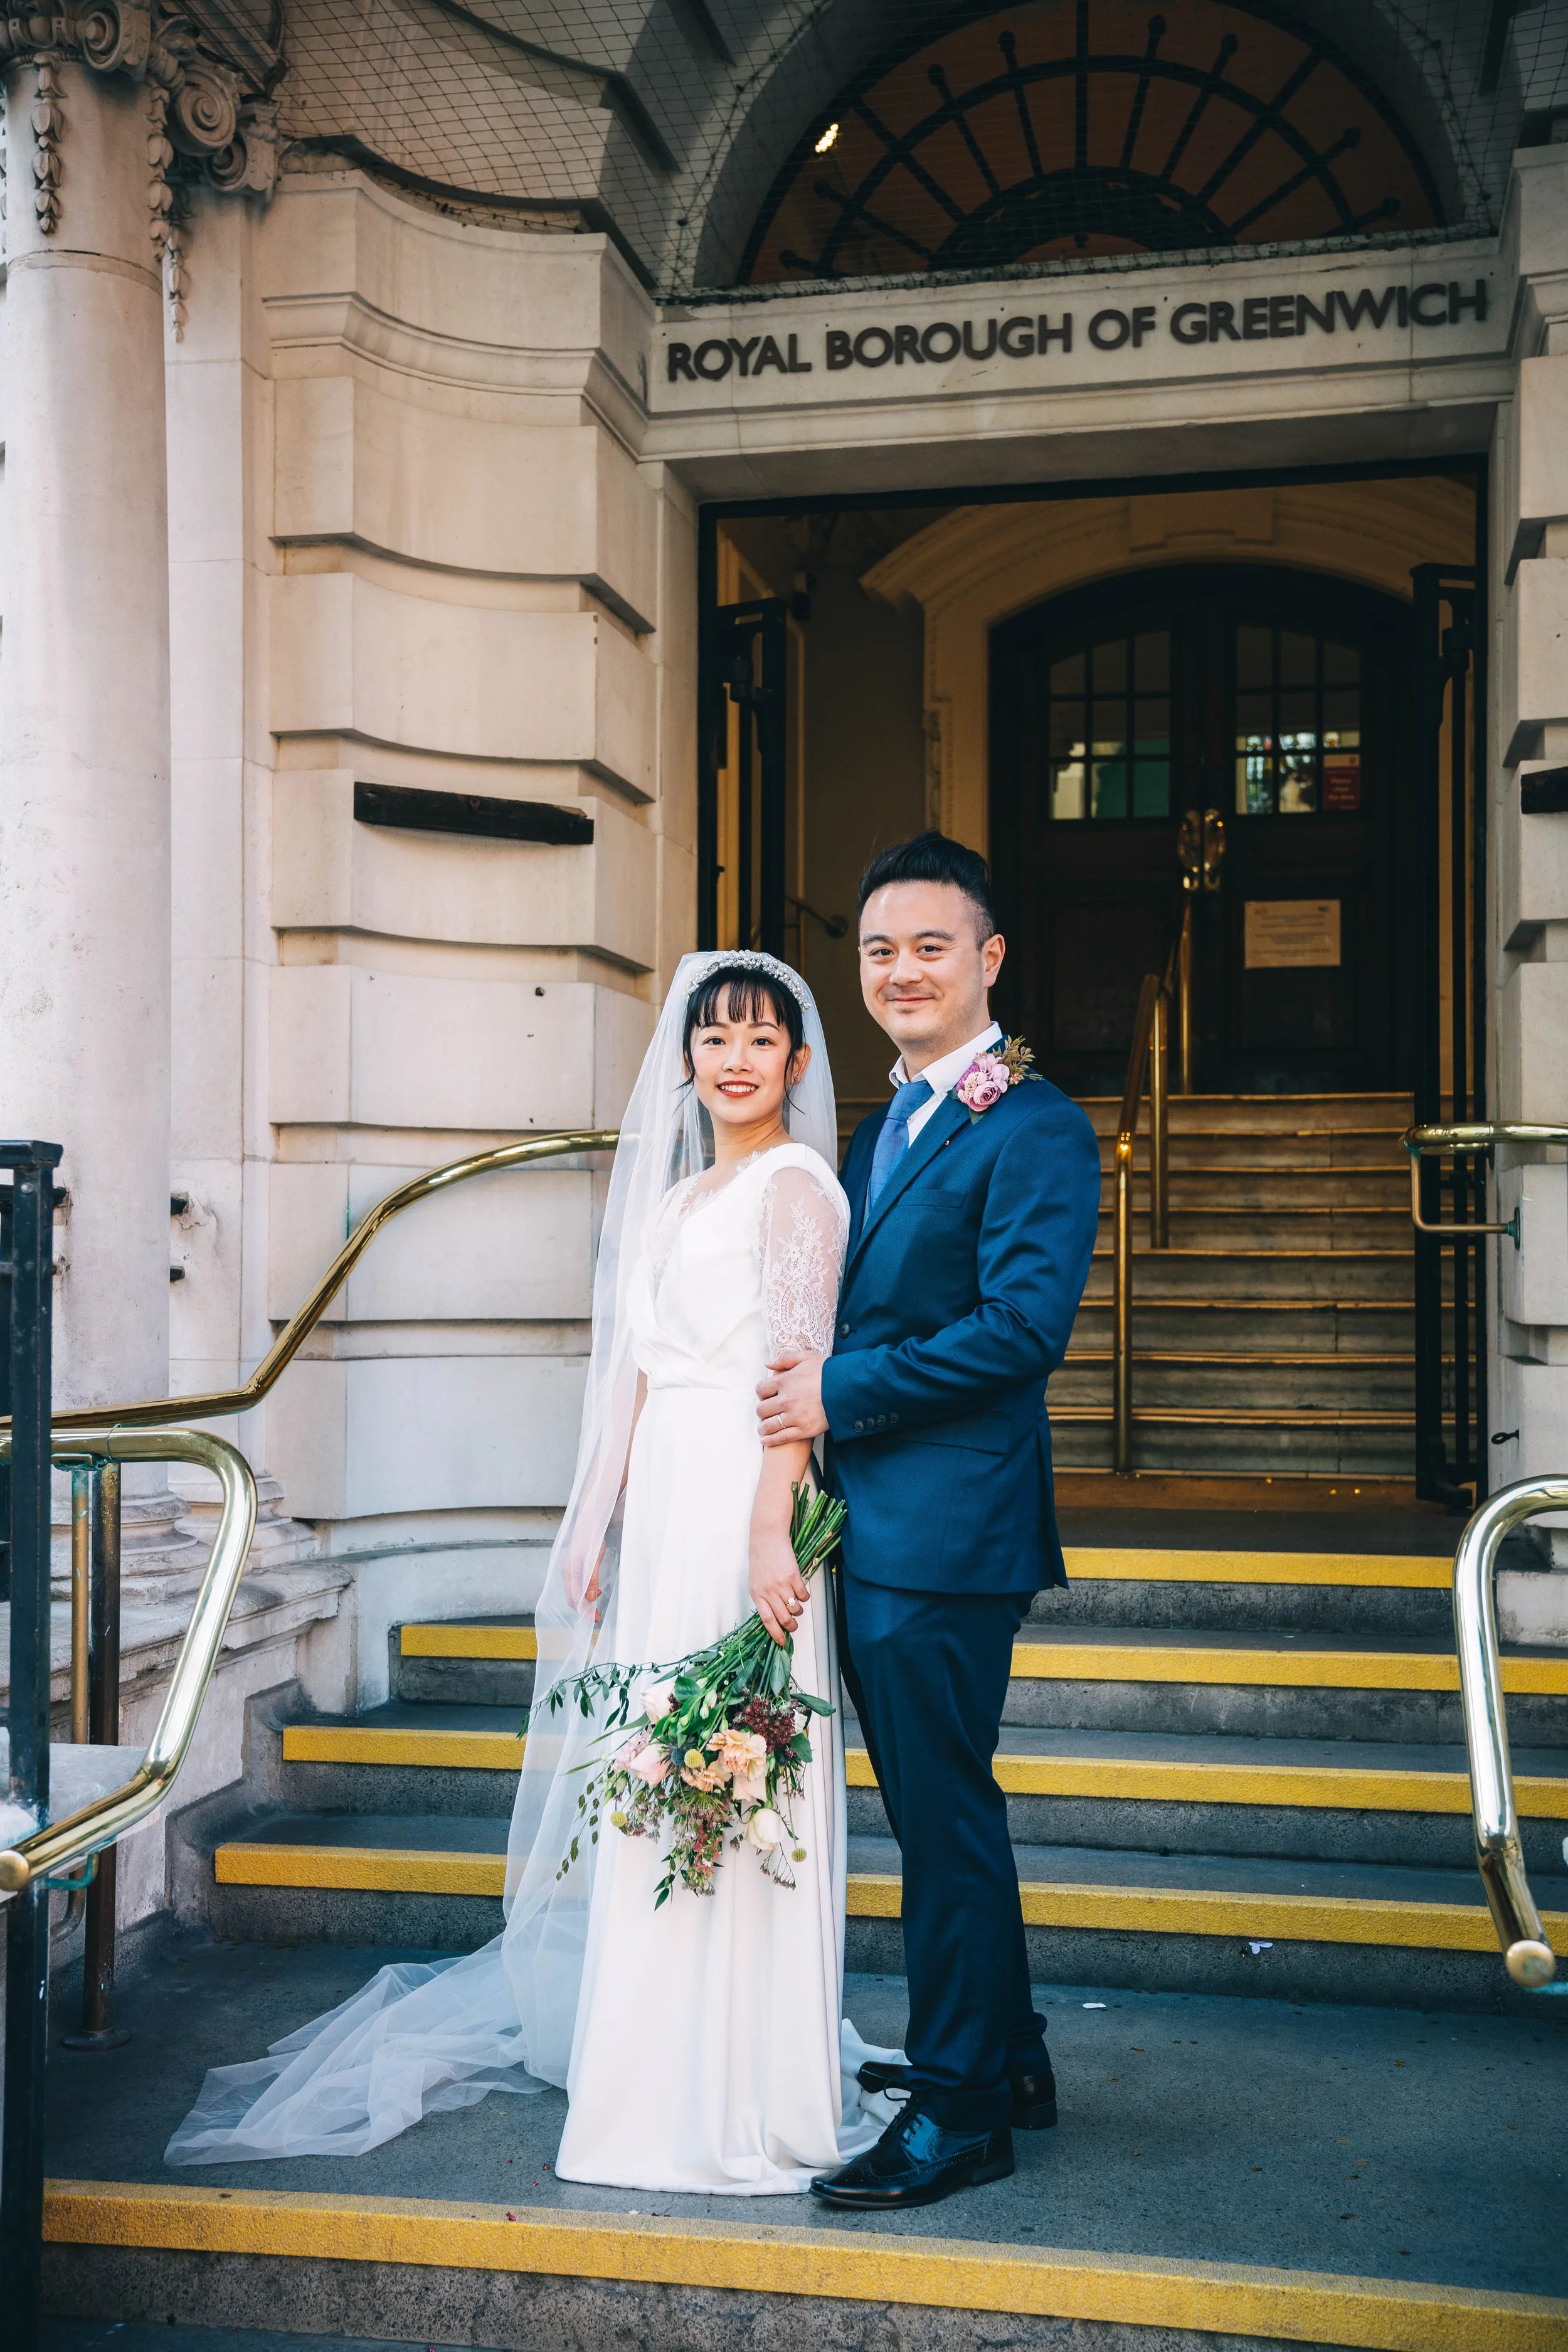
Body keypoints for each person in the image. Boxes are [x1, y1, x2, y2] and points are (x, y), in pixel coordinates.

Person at [166, 951, 892, 2191]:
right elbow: (635, 1373)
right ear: (684, 1060)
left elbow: (794, 1376)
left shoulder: (797, 1189)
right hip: (666, 1503)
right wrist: (590, 1520)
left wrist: (771, 1530)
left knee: (739, 1765)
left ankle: (741, 2083)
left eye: (760, 1040)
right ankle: (650, 2063)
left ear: (798, 1061)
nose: (735, 1060)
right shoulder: (675, 1199)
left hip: (743, 1500)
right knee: (659, 1760)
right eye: (714, 1039)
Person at [756, 832, 1101, 2212]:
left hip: (951, 1527)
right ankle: (1007, 2056)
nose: (901, 971)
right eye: (879, 950)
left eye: (930, 947)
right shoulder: (888, 1117)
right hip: (882, 1519)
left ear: (989, 958)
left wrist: (834, 1392)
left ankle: (960, 2112)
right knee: (939, 1806)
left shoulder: (1035, 1124)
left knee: (943, 1817)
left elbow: (1021, 1331)